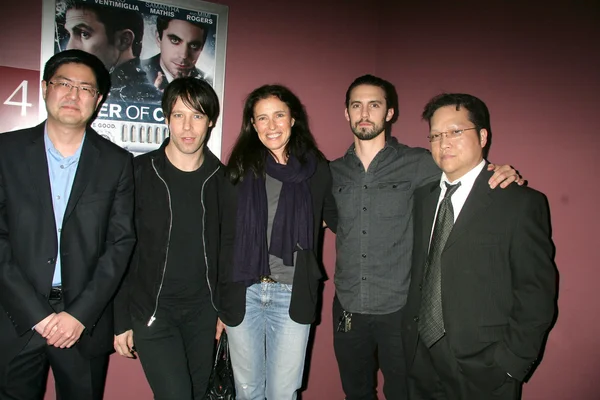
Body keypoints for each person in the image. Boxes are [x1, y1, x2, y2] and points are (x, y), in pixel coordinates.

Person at [329, 75, 523, 400]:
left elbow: (466, 172)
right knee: (355, 394)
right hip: (348, 309)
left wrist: (501, 171)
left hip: (400, 311)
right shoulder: (332, 172)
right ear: (346, 113)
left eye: (374, 104)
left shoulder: (419, 162)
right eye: (356, 105)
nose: (365, 112)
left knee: (404, 393)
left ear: (389, 112)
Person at [0, 49, 135, 399]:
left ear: (99, 99)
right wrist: (38, 315)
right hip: (16, 318)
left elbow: (120, 244)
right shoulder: (6, 151)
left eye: (85, 88)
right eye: (63, 83)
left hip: (82, 322)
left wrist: (79, 315)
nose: (73, 95)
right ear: (45, 88)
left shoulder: (116, 163)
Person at [402, 93, 556, 400]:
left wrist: (510, 364)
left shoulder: (519, 202)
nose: (443, 142)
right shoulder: (422, 198)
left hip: (485, 368)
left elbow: (536, 292)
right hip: (421, 360)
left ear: (483, 136)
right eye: (435, 135)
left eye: (456, 132)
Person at [217, 84, 337, 399]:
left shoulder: (316, 169)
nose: (272, 126)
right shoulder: (239, 170)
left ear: (293, 118)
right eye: (262, 118)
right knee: (248, 390)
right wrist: (218, 302)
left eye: (279, 115)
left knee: (284, 391)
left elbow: (338, 215)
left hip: (292, 292)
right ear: (252, 125)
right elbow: (223, 237)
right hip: (244, 291)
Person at [113, 77, 225, 399]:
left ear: (210, 122)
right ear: (166, 119)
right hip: (153, 312)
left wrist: (226, 313)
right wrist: (121, 319)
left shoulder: (224, 180)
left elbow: (230, 252)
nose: (187, 126)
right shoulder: (138, 173)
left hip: (203, 315)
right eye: (178, 115)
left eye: (197, 116)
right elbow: (120, 250)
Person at [64, 1, 162, 103]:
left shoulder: (146, 99)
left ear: (124, 40)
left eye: (84, 34)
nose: (69, 47)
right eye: (69, 34)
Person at [142, 17, 213, 91]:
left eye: (194, 45)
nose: (184, 55)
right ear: (158, 38)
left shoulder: (207, 84)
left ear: (202, 47)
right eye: (175, 40)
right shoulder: (139, 72)